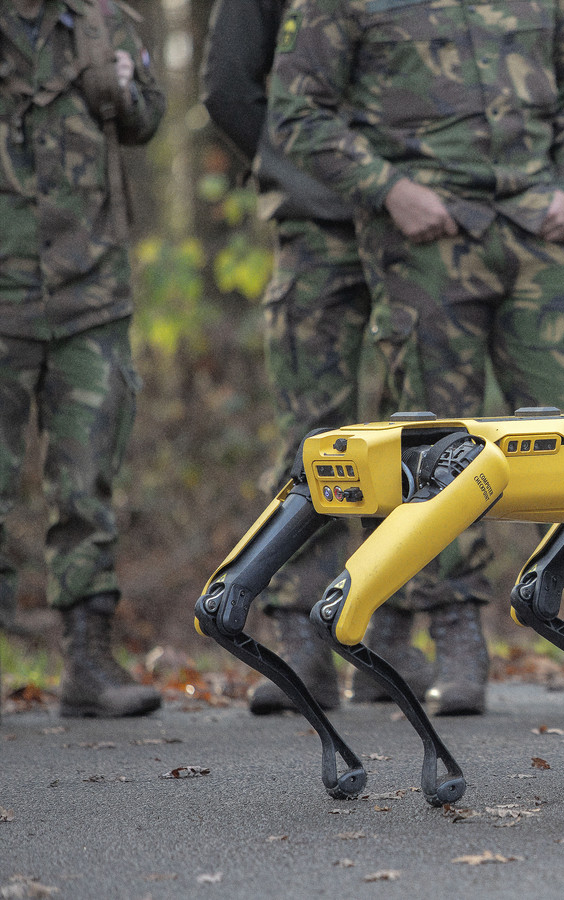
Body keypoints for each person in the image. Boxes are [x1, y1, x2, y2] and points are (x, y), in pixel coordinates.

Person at [267, 0, 564, 710]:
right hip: (425, 239)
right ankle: (456, 634)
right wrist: (388, 190)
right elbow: (296, 111)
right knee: (440, 446)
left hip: (535, 227)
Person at [201, 0, 442, 717]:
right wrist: (292, 166)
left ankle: (383, 630)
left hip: (420, 218)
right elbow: (227, 88)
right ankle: (308, 632)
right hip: (321, 225)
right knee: (319, 439)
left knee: (416, 434)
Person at [0, 0, 163, 716]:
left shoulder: (106, 19)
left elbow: (147, 120)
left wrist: (127, 87)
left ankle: (89, 664)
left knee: (87, 483)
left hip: (89, 292)